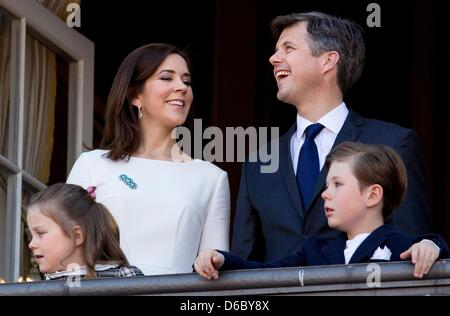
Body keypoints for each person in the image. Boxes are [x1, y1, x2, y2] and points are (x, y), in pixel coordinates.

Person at [231, 11, 430, 263]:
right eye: (275, 50)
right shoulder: (258, 163)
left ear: (328, 60)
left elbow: (413, 252)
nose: (273, 58)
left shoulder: (393, 143)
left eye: (288, 48)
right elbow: (244, 263)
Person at [67, 43, 230, 275]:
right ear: (135, 95)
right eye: (167, 78)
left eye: (187, 81)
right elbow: (64, 251)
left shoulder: (211, 178)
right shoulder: (92, 165)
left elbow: (217, 271)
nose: (181, 87)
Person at [196, 142, 448, 280]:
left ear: (373, 195)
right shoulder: (313, 250)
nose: (325, 194)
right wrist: (223, 259)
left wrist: (432, 247)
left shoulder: (406, 249)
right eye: (327, 185)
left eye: (337, 184)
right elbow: (267, 274)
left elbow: (434, 249)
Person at [27, 183, 143, 280]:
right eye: (32, 236)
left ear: (76, 236)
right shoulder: (45, 287)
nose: (31, 244)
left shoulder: (124, 277)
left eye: (40, 233)